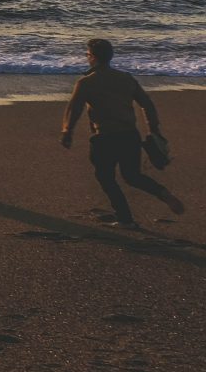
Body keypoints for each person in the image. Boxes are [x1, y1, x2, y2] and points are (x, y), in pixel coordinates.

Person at [60, 38, 184, 229]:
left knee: (105, 178)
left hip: (104, 138)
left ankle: (125, 218)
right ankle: (163, 193)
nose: (87, 58)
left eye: (87, 55)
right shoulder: (126, 78)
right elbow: (147, 104)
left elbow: (74, 109)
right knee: (132, 176)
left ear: (92, 57)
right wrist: (153, 129)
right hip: (129, 135)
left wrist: (67, 130)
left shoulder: (86, 82)